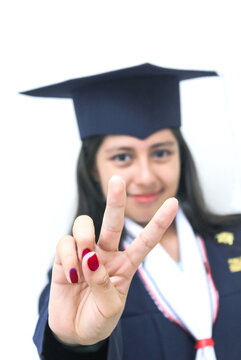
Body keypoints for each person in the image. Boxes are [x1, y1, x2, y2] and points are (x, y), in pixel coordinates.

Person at [22, 63, 241, 360]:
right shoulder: (87, 270)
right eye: (122, 157)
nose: (146, 176)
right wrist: (79, 343)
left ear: (181, 156)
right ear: (93, 170)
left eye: (161, 152)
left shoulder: (237, 238)